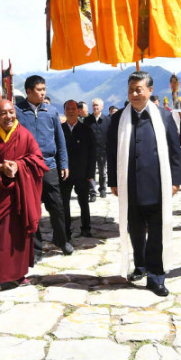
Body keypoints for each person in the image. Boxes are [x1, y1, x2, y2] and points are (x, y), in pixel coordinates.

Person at [108, 71, 181, 297]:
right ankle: (140, 265)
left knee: (157, 232)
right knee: (136, 230)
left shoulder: (164, 117)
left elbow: (174, 151)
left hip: (157, 185)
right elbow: (111, 152)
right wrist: (113, 181)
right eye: (131, 90)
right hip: (129, 185)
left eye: (138, 89)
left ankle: (156, 276)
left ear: (150, 90)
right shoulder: (118, 119)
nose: (134, 94)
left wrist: (176, 181)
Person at [0, 99, 47, 295]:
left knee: (18, 234)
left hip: (18, 193)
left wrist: (18, 166)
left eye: (11, 112)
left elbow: (37, 160)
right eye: (3, 113)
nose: (8, 116)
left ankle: (18, 274)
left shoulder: (24, 135)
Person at [15, 75, 72, 257]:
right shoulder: (17, 112)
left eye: (44, 89)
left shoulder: (51, 111)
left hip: (49, 166)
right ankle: (36, 247)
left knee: (56, 206)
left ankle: (62, 240)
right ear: (28, 91)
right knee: (31, 209)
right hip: (27, 167)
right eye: (39, 90)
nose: (42, 93)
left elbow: (60, 140)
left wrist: (63, 163)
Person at [61, 100, 95, 238]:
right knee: (64, 203)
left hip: (82, 172)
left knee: (84, 202)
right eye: (68, 109)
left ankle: (86, 228)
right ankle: (66, 230)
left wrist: (90, 173)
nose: (71, 111)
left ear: (78, 111)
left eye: (73, 108)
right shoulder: (60, 129)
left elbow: (92, 152)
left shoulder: (86, 129)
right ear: (64, 111)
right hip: (65, 173)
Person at [84, 98, 110, 200]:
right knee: (91, 172)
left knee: (102, 172)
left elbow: (110, 136)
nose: (95, 107)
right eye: (94, 105)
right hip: (90, 151)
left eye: (97, 105)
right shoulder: (87, 120)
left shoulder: (107, 120)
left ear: (102, 107)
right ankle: (92, 192)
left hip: (103, 150)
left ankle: (102, 189)